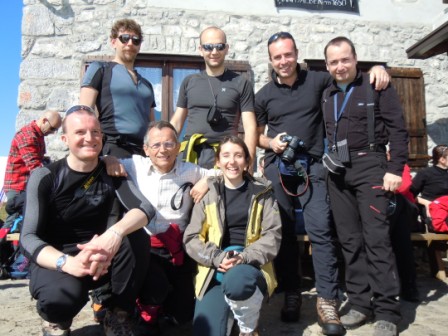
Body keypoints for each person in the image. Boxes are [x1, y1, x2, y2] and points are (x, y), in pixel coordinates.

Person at [254, 31, 390, 335]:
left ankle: (328, 299)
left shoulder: (318, 80)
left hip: (314, 168)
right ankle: (292, 293)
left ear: (296, 53)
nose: (283, 61)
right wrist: (270, 142)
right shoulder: (263, 94)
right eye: (277, 57)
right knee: (283, 231)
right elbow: (256, 135)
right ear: (271, 60)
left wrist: (379, 69)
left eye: (288, 54)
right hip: (279, 168)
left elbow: (349, 77)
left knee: (321, 231)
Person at [20, 105, 155, 336]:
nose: (89, 138)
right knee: (58, 301)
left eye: (95, 132)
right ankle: (57, 322)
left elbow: (145, 209)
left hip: (102, 253)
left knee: (137, 238)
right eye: (80, 132)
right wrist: (67, 263)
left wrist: (113, 235)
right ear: (65, 138)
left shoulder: (111, 171)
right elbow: (28, 238)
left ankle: (117, 314)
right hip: (59, 258)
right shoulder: (45, 177)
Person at [322, 36, 409, 336]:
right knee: (349, 240)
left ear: (356, 59)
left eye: (345, 59)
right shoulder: (327, 92)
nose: (340, 66)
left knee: (376, 238)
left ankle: (387, 311)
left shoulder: (377, 85)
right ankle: (360, 303)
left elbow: (399, 130)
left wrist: (395, 168)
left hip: (371, 165)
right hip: (338, 171)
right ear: (327, 65)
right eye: (333, 61)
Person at [103, 120, 217, 335]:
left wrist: (207, 180)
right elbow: (97, 161)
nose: (162, 150)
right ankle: (136, 312)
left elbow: (221, 173)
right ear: (146, 149)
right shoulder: (134, 165)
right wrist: (108, 158)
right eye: (155, 145)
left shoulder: (190, 171)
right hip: (144, 246)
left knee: (182, 315)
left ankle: (160, 306)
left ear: (178, 147)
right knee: (156, 288)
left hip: (176, 247)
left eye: (168, 144)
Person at [184, 136, 281, 336]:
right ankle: (231, 312)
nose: (232, 161)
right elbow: (191, 238)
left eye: (238, 155)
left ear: (247, 161)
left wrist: (243, 257)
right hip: (215, 268)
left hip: (251, 267)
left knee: (237, 281)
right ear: (218, 162)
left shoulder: (263, 192)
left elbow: (273, 236)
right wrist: (217, 257)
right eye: (226, 155)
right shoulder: (208, 193)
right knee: (205, 332)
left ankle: (247, 328)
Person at [170, 26, 257, 169]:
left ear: (227, 48)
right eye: (209, 47)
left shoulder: (241, 83)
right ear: (200, 49)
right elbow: (177, 122)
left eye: (219, 46)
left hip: (225, 158)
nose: (214, 52)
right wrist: (164, 146)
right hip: (191, 156)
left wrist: (248, 162)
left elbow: (250, 127)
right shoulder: (189, 81)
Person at [80, 18, 156, 158]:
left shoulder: (147, 85)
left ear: (139, 46)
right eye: (124, 38)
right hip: (112, 148)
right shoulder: (100, 69)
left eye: (135, 40)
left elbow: (152, 125)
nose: (130, 43)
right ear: (113, 42)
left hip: (143, 153)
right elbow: (84, 113)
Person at [3, 110, 62, 228]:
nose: (53, 132)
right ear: (44, 120)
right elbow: (35, 167)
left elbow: (38, 160)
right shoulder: (27, 136)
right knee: (12, 223)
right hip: (18, 186)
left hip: (25, 186)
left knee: (21, 224)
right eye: (52, 129)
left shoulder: (37, 135)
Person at [410, 144, 448, 222]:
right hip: (434, 211)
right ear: (442, 160)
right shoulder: (425, 173)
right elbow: (410, 194)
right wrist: (427, 203)